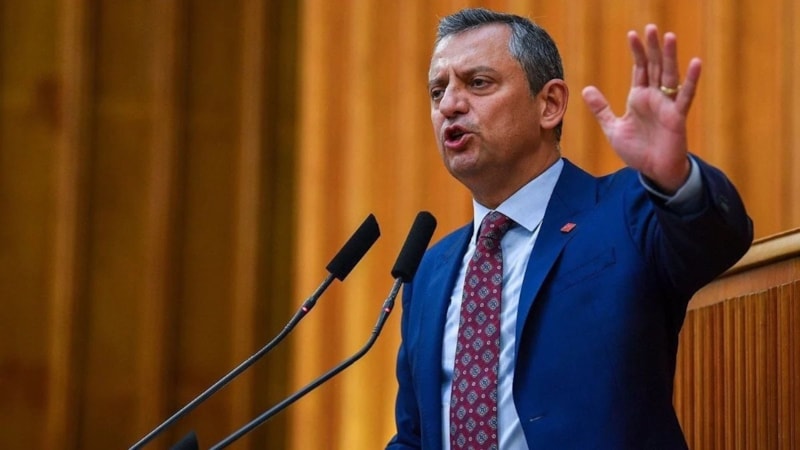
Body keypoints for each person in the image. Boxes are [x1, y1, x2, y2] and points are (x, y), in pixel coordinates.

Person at [386, 7, 752, 450]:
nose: (449, 105)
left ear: (550, 104)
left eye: (478, 83)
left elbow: (719, 240)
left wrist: (676, 178)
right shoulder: (429, 272)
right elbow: (415, 437)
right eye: (437, 91)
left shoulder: (626, 211)